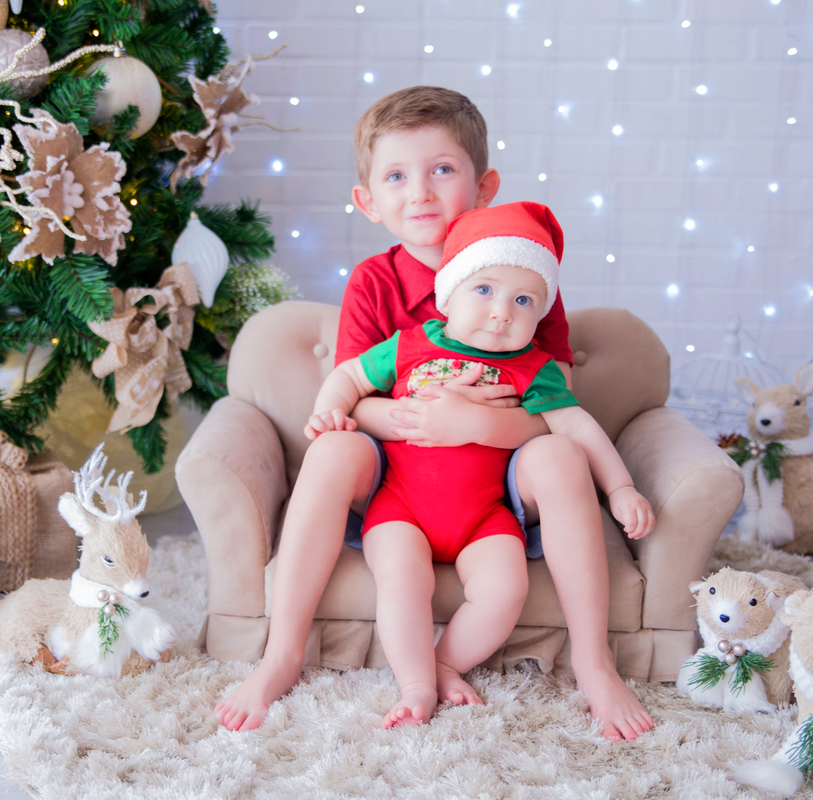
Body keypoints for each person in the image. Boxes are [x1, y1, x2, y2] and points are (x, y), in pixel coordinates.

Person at [214, 86, 655, 741]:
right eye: (397, 176)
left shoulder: (522, 274)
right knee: (334, 449)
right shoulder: (375, 282)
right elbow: (354, 394)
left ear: (484, 186)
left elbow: (556, 403)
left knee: (561, 455)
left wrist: (481, 424)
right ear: (368, 200)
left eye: (442, 170)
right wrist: (419, 419)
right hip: (397, 472)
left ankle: (594, 662)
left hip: (496, 475)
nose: (420, 192)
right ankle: (282, 654)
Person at [304, 201, 655, 728]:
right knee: (401, 578)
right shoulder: (411, 346)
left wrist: (621, 487)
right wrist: (325, 410)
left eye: (523, 300)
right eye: (484, 290)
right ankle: (416, 687)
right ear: (450, 293)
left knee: (503, 590)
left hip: (486, 514)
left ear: (541, 313)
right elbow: (352, 376)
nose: (501, 311)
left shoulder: (534, 369)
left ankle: (445, 664)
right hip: (401, 506)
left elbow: (578, 427)